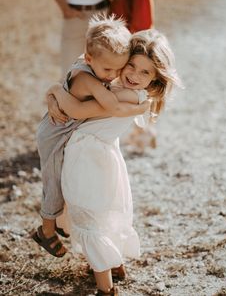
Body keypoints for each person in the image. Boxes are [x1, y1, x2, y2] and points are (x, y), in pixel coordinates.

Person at [47, 29, 181, 295]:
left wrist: (53, 90)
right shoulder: (118, 87)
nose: (134, 75)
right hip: (100, 157)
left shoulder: (129, 96)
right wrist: (54, 99)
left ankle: (105, 289)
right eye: (131, 65)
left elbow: (77, 110)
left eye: (145, 73)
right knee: (101, 214)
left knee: (89, 217)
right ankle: (115, 264)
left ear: (155, 79)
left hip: (89, 160)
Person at [32, 15, 149, 258]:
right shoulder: (86, 77)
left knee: (71, 178)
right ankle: (46, 231)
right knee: (53, 182)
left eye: (119, 68)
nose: (113, 75)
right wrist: (139, 108)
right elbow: (112, 106)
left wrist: (53, 91)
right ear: (88, 58)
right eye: (108, 69)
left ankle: (63, 224)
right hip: (56, 132)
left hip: (68, 128)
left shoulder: (98, 66)